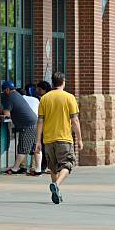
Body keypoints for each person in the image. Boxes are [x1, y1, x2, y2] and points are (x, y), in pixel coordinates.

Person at [35, 72, 83, 204]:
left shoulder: (44, 98)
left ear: (52, 83)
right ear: (63, 82)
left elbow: (40, 121)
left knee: (53, 167)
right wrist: (79, 139)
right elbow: (75, 120)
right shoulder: (69, 97)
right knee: (67, 164)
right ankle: (56, 185)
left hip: (48, 139)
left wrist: (38, 141)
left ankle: (56, 191)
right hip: (64, 138)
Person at [1, 81, 38, 175]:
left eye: (3, 91)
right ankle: (29, 168)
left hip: (28, 125)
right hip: (32, 123)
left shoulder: (10, 98)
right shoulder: (17, 95)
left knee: (23, 148)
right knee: (31, 147)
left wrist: (1, 110)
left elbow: (7, 114)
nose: (3, 93)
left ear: (7, 90)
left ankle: (15, 168)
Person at [18, 88, 42, 176]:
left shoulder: (20, 100)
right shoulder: (35, 99)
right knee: (35, 146)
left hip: (28, 125)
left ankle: (21, 167)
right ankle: (35, 168)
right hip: (38, 123)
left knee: (23, 146)